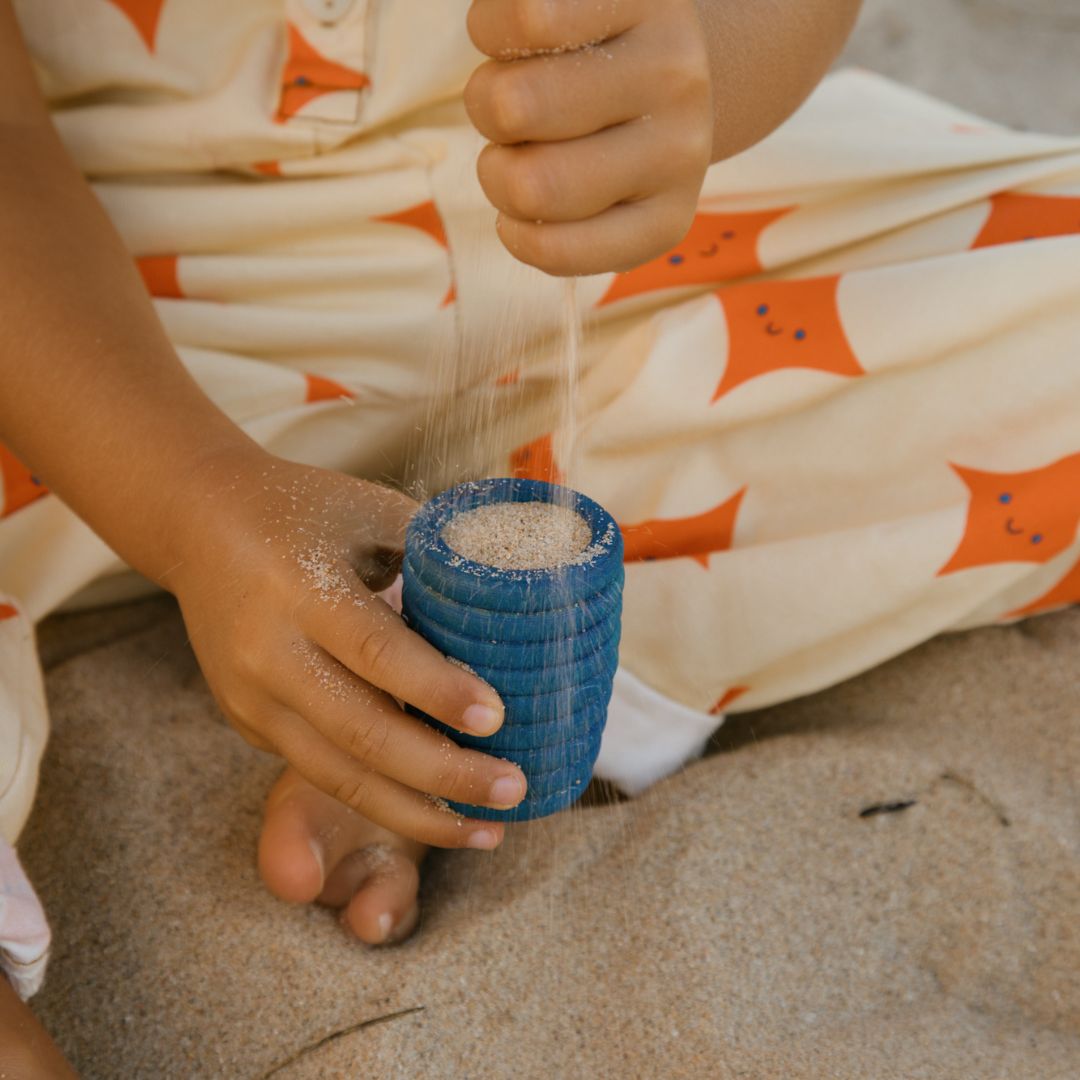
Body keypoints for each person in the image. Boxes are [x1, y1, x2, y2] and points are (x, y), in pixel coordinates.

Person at [2, 0, 1079, 1073]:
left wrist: (708, 67)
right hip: (89, 315)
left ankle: (487, 681)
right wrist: (192, 502)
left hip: (613, 231)